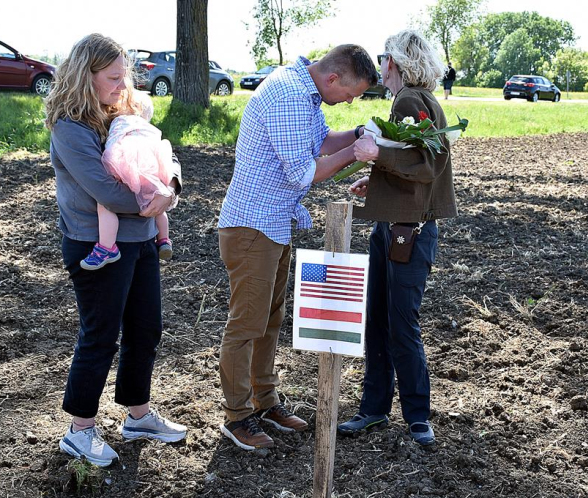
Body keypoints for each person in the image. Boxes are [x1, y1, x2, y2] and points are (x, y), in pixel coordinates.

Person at [217, 44, 378, 450]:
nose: (350, 101)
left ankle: (265, 401)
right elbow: (308, 173)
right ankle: (237, 418)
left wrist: (358, 134)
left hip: (272, 223)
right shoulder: (288, 95)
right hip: (252, 225)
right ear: (333, 78)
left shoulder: (304, 92)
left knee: (270, 319)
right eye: (351, 93)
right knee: (246, 324)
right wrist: (353, 155)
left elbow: (323, 141)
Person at [45, 33, 186, 467]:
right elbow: (103, 187)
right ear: (85, 77)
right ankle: (80, 430)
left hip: (140, 240)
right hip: (96, 244)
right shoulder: (71, 126)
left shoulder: (123, 112)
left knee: (147, 329)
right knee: (100, 336)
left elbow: (163, 153)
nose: (121, 86)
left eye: (124, 77)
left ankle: (138, 415)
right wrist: (157, 200)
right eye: (112, 78)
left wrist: (173, 185)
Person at [337, 30, 457, 446]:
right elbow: (414, 172)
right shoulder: (417, 100)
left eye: (386, 56)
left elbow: (425, 166)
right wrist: (377, 184)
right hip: (397, 228)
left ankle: (414, 416)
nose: (381, 63)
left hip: (407, 235)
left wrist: (376, 155)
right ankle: (377, 410)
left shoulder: (410, 101)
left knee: (399, 324)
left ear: (397, 62)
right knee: (383, 321)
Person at [81, 90, 176, 271]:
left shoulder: (121, 121)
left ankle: (107, 246)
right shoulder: (148, 128)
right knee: (158, 205)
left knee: (105, 204)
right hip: (152, 170)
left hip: (127, 166)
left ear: (130, 107)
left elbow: (114, 145)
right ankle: (164, 239)